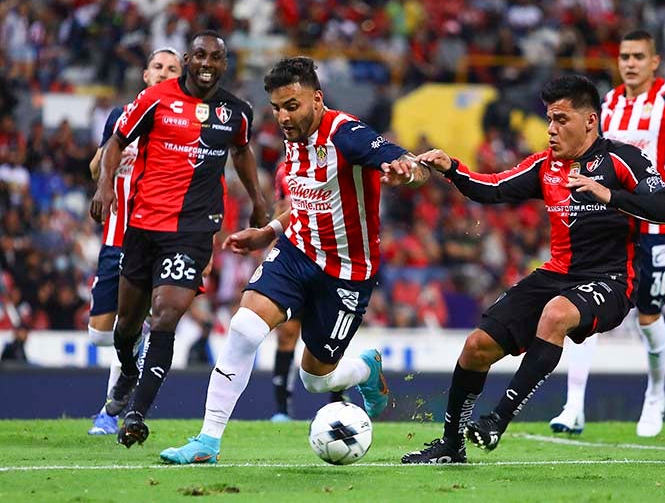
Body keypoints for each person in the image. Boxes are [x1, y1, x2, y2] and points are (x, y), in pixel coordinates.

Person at [160, 56, 430, 464]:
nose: (284, 116)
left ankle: (365, 370)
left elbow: (405, 162)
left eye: (292, 105)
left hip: (347, 272)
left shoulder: (347, 135)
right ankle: (207, 442)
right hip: (297, 252)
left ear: (317, 99)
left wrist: (407, 171)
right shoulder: (293, 138)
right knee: (244, 328)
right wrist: (268, 232)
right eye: (277, 107)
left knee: (316, 378)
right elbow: (306, 204)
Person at [401, 74, 665, 464]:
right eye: (549, 119)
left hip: (612, 281)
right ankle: (451, 445)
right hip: (557, 275)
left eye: (561, 119)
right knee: (476, 347)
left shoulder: (623, 160)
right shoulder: (545, 166)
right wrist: (452, 168)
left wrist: (610, 195)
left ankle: (498, 420)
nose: (551, 129)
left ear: (589, 121)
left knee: (556, 314)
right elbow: (492, 188)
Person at [89, 30, 269, 448]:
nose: (208, 64)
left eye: (216, 58)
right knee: (124, 328)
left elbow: (241, 151)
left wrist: (258, 202)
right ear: (189, 59)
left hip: (192, 232)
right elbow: (117, 139)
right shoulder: (155, 100)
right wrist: (104, 187)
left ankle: (136, 414)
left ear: (225, 65)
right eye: (200, 56)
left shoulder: (235, 112)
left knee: (166, 315)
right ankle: (128, 373)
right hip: (143, 226)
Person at [549, 29, 665, 438]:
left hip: (652, 224)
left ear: (654, 61)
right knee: (584, 305)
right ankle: (574, 406)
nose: (630, 63)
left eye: (638, 56)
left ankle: (656, 395)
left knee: (648, 314)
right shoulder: (607, 104)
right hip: (609, 222)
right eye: (624, 56)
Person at [85, 47, 183, 436]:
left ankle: (110, 413)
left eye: (171, 69)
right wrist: (108, 160)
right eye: (157, 67)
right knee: (99, 334)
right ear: (145, 75)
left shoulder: (181, 123)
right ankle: (134, 349)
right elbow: (95, 168)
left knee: (131, 319)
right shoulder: (121, 116)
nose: (163, 73)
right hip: (115, 236)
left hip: (154, 236)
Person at [268, 160, 343, 423]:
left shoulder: (336, 163)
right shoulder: (284, 171)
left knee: (328, 340)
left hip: (329, 261)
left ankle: (338, 405)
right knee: (287, 333)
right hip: (294, 259)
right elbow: (280, 207)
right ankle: (281, 410)